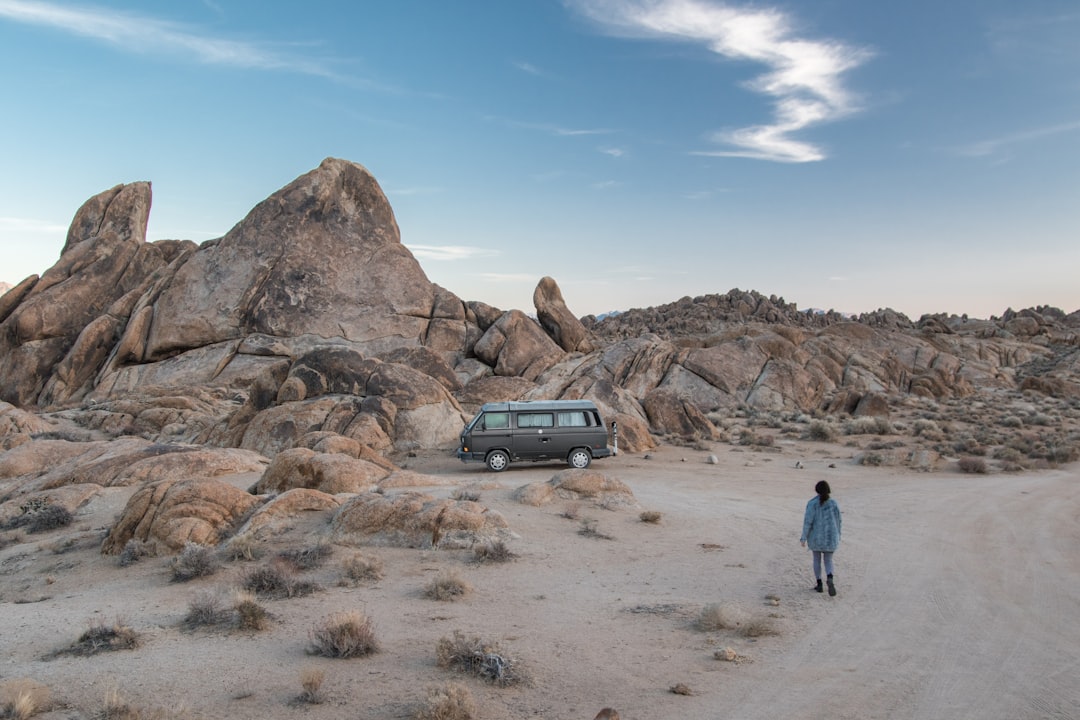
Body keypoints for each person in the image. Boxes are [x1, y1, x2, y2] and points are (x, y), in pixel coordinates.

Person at [800, 480, 842, 596]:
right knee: (828, 560)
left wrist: (803, 537)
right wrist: (838, 535)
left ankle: (819, 583)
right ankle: (830, 577)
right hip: (830, 538)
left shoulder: (812, 503)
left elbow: (808, 521)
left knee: (816, 560)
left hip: (816, 538)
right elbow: (839, 520)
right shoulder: (834, 503)